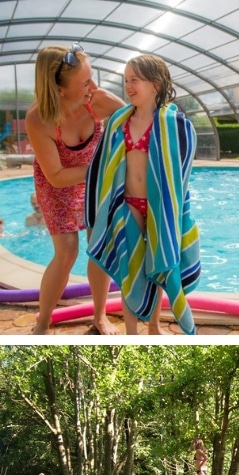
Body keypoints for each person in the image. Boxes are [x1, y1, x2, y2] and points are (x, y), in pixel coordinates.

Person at [85, 53, 201, 335]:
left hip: (159, 207)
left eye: (135, 80)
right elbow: (103, 167)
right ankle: (131, 332)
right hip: (128, 204)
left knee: (157, 263)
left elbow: (180, 173)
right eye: (126, 80)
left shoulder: (175, 124)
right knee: (131, 269)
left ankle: (154, 325)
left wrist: (173, 207)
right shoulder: (118, 123)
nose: (128, 86)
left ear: (156, 85)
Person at [26, 43, 124, 335]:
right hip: (58, 183)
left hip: (94, 181)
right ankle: (43, 321)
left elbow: (140, 123)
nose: (92, 86)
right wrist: (103, 168)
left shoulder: (99, 101)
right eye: (84, 82)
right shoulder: (38, 119)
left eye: (92, 77)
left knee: (99, 248)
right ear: (59, 89)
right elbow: (55, 176)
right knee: (67, 252)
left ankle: (99, 316)